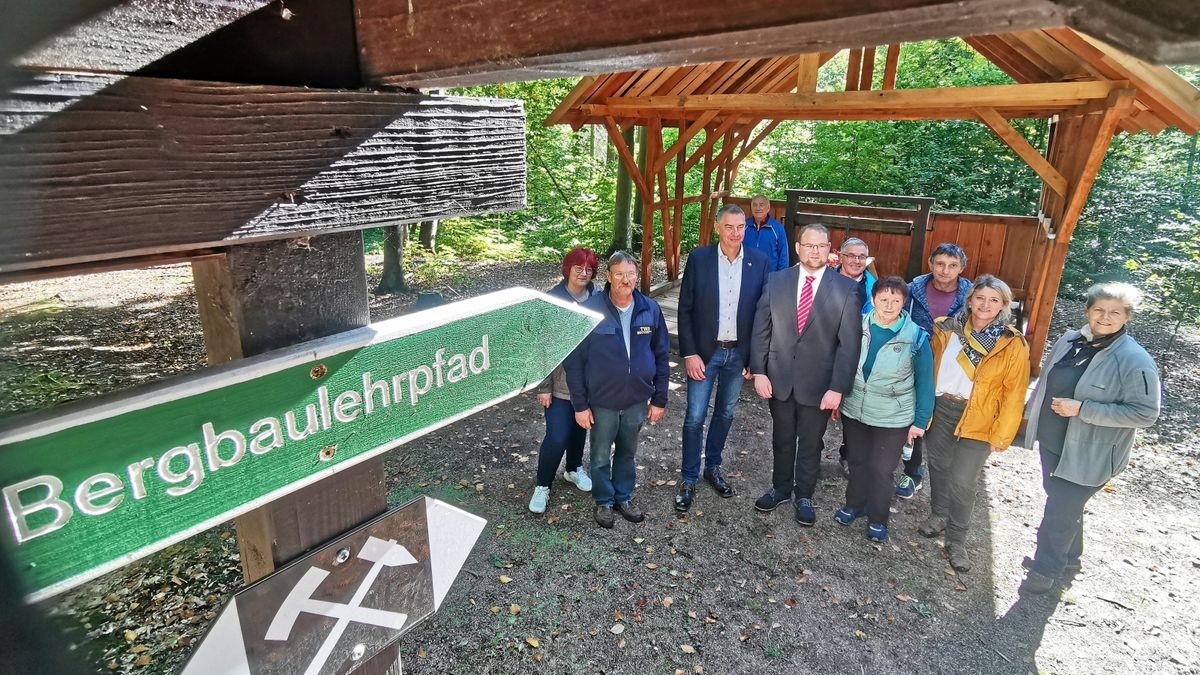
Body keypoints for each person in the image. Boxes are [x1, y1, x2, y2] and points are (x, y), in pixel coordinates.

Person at [1018, 283, 1160, 595]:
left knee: (1059, 510)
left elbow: (1145, 414)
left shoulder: (1135, 360)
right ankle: (1070, 559)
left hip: (1092, 453)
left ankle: (1045, 570)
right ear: (1087, 311)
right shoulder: (1070, 340)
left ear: (1127, 317)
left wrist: (1084, 409)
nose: (1105, 317)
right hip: (1054, 442)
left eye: (1114, 312)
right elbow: (1044, 382)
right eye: (1099, 309)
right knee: (1064, 504)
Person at [749, 223, 864, 526]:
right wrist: (759, 371)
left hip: (820, 385)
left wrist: (838, 388)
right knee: (782, 438)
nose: (815, 251)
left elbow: (849, 345)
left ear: (830, 250)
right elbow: (761, 330)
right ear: (798, 248)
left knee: (811, 443)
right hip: (779, 379)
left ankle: (804, 495)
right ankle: (781, 488)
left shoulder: (847, 289)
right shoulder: (776, 280)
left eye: (821, 245)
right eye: (809, 245)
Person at [918, 275, 1029, 572]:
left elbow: (1014, 392)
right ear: (970, 299)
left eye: (994, 300)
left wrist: (1003, 434)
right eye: (980, 298)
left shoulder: (1011, 343)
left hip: (979, 416)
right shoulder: (946, 328)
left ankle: (957, 540)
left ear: (1004, 306)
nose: (985, 305)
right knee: (938, 467)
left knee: (964, 481)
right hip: (942, 408)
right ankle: (938, 515)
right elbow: (928, 367)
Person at [675, 205, 770, 512]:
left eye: (740, 227)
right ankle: (688, 476)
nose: (735, 233)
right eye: (729, 226)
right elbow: (685, 308)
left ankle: (712, 467)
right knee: (694, 416)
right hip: (704, 352)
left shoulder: (760, 262)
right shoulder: (700, 259)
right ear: (717, 227)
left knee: (725, 414)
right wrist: (688, 352)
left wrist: (755, 359)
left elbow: (762, 315)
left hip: (738, 354)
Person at [565, 251, 670, 529]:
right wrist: (580, 405)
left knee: (627, 452)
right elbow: (574, 362)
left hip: (636, 398)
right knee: (600, 455)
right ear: (608, 277)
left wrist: (659, 398)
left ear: (637, 275)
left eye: (631, 273)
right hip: (602, 401)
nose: (626, 279)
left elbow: (661, 356)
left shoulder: (650, 308)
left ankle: (623, 497)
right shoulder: (591, 310)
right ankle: (604, 501)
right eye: (619, 274)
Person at [834, 277, 934, 542]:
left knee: (882, 469)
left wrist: (919, 421)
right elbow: (842, 363)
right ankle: (854, 504)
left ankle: (878, 518)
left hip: (893, 416)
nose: (889, 306)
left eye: (896, 300)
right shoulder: (857, 326)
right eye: (883, 299)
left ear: (904, 303)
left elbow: (925, 383)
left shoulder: (916, 337)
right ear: (873, 299)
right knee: (857, 461)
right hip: (855, 408)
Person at [898, 243, 973, 499]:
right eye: (940, 264)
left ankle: (947, 479)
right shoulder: (912, 290)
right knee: (916, 414)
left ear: (962, 268)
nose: (945, 270)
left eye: (952, 265)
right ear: (931, 263)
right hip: (916, 361)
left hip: (952, 368)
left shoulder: (972, 297)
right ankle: (912, 471)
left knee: (941, 421)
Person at [528, 247, 599, 514]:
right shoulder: (552, 301)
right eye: (578, 267)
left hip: (590, 383)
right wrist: (543, 386)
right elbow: (540, 346)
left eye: (589, 269)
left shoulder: (599, 299)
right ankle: (543, 485)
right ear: (567, 268)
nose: (583, 273)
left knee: (580, 428)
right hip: (559, 384)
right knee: (557, 435)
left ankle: (573, 468)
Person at [835, 236, 878, 478]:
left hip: (859, 357)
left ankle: (849, 454)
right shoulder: (824, 280)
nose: (856, 261)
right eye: (851, 255)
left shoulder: (875, 288)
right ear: (840, 257)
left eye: (861, 256)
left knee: (853, 411)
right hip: (824, 355)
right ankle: (812, 453)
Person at [745, 194, 791, 272]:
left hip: (770, 276)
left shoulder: (777, 228)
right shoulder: (744, 226)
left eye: (761, 205)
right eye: (755, 205)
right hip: (747, 273)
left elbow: (783, 254)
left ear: (768, 208)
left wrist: (781, 276)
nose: (758, 208)